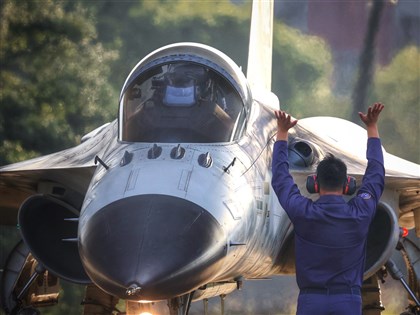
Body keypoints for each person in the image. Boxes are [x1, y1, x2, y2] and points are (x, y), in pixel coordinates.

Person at [271, 103, 385, 315]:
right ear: (347, 185)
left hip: (310, 302)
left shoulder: (303, 212)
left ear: (314, 183)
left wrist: (282, 133)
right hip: (348, 302)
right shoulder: (360, 213)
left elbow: (280, 179)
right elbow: (376, 174)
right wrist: (372, 128)